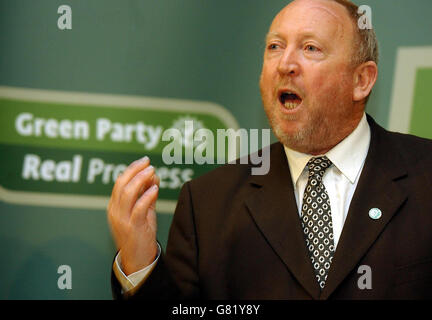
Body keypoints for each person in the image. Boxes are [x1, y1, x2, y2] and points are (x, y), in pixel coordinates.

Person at [108, 0, 432, 299]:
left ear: (361, 80)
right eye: (275, 47)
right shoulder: (208, 204)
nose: (286, 64)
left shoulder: (425, 177)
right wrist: (140, 263)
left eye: (310, 48)